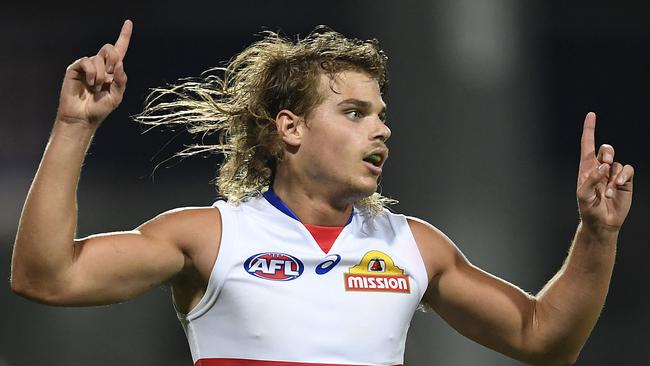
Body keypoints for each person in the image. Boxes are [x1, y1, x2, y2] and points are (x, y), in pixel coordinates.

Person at [10, 20, 634, 366]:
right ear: (291, 128)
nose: (382, 128)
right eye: (356, 112)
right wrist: (73, 127)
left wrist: (597, 236)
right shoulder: (212, 236)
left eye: (381, 114)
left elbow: (544, 337)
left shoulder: (413, 246)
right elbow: (46, 277)